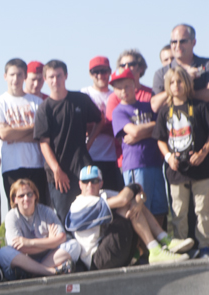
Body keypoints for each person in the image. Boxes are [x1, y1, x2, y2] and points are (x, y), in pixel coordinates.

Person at [65, 166, 190, 270]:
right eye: (85, 181)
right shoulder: (80, 203)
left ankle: (163, 240)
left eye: (94, 181)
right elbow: (123, 199)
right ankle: (155, 248)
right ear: (80, 184)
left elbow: (137, 194)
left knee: (134, 205)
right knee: (126, 207)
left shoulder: (102, 194)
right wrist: (135, 188)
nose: (90, 185)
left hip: (109, 252)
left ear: (101, 183)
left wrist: (140, 200)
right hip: (97, 260)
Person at [33, 60, 103, 222]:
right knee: (66, 219)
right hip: (58, 173)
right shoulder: (44, 108)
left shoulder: (80, 99)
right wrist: (57, 170)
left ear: (66, 76)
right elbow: (44, 143)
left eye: (59, 76)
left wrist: (89, 142)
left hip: (83, 167)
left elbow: (100, 120)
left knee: (91, 212)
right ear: (45, 79)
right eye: (51, 77)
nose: (55, 80)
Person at [152, 66, 209, 254]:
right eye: (172, 82)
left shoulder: (201, 107)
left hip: (201, 170)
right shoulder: (164, 112)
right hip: (176, 172)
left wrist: (202, 152)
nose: (176, 86)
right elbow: (160, 139)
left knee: (203, 211)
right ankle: (183, 247)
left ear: (187, 83)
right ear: (167, 86)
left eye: (180, 81)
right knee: (178, 211)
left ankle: (204, 246)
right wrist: (168, 157)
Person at [110, 68, 169, 226]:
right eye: (119, 87)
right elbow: (133, 131)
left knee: (159, 208)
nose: (124, 90)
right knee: (140, 208)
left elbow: (161, 127)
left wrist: (142, 133)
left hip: (156, 162)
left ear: (135, 85)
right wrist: (149, 130)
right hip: (136, 164)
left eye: (127, 86)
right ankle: (143, 249)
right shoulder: (119, 111)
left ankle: (160, 244)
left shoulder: (148, 106)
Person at [0, 58, 48, 205]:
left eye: (19, 74)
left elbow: (43, 135)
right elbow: (3, 134)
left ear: (25, 76)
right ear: (5, 76)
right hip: (11, 166)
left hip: (37, 165)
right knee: (16, 211)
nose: (15, 79)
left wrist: (14, 134)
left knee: (40, 210)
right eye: (12, 74)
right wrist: (33, 129)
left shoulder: (38, 103)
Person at [0, 179, 80, 280]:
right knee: (3, 252)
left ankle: (33, 273)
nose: (26, 198)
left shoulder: (46, 211)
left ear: (35, 195)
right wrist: (50, 241)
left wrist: (29, 242)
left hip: (49, 257)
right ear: (15, 199)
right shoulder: (11, 216)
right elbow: (19, 248)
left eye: (29, 194)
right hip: (25, 260)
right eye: (21, 196)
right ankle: (49, 271)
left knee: (74, 245)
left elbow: (62, 237)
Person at [81, 56, 124, 192]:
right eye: (96, 72)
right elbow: (82, 125)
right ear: (90, 74)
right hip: (90, 155)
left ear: (110, 72)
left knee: (113, 196)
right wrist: (106, 125)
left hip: (112, 156)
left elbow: (119, 127)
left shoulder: (117, 94)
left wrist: (98, 126)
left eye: (104, 71)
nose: (100, 75)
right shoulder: (85, 94)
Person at [152, 24, 209, 113]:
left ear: (193, 42)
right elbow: (155, 105)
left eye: (183, 41)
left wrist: (179, 93)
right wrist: (185, 79)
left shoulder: (206, 66)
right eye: (174, 42)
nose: (178, 45)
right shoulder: (162, 73)